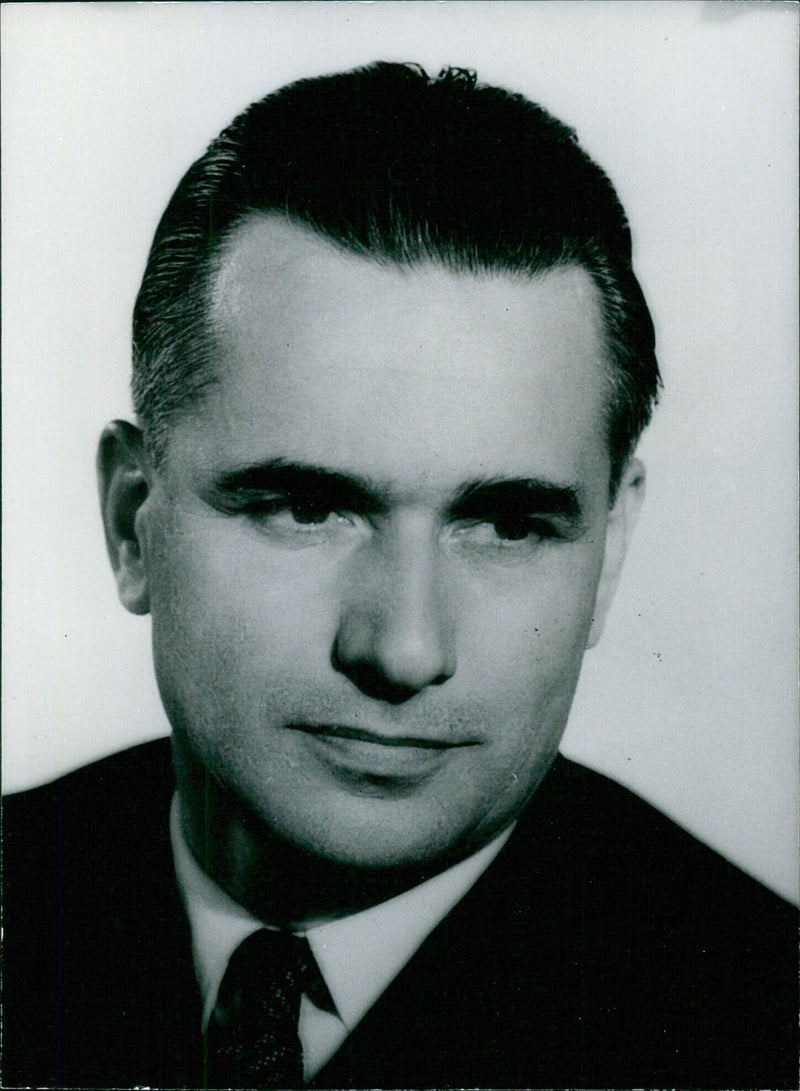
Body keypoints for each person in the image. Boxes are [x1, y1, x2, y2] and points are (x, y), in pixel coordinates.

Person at [3, 62, 796, 1090]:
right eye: (305, 508)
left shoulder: (758, 1024)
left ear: (609, 554)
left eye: (507, 524)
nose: (403, 647)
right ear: (129, 522)